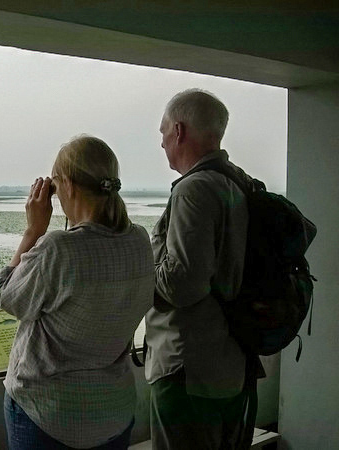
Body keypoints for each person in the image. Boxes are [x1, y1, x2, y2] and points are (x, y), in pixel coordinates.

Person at [0, 135, 154, 449]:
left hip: (46, 411)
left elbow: (8, 296)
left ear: (67, 185)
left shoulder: (59, 248)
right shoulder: (139, 240)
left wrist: (33, 231)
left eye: (54, 187)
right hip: (112, 411)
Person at [145, 88, 260, 450]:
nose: (162, 142)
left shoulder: (193, 190)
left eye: (163, 132)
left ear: (179, 131)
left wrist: (141, 264)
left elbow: (182, 285)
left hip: (189, 370)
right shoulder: (239, 183)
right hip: (234, 362)